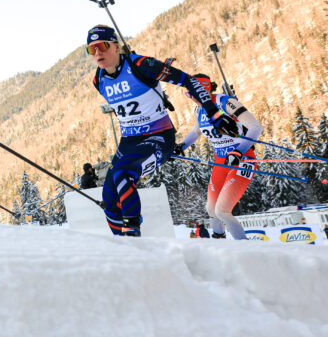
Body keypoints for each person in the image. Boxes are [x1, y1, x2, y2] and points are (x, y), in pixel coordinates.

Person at [86, 25, 238, 237]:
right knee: (109, 196)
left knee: (123, 173)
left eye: (102, 46)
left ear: (116, 46)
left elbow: (189, 80)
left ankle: (133, 234)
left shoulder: (142, 65)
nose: (97, 53)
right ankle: (123, 247)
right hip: (129, 142)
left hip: (159, 137)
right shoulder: (98, 79)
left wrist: (213, 112)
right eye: (91, 49)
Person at [174, 74, 263, 240]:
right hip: (221, 162)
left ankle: (246, 248)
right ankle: (218, 239)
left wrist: (239, 151)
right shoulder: (200, 109)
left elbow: (255, 127)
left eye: (190, 93)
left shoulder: (226, 102)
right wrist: (180, 147)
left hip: (242, 159)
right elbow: (196, 132)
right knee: (211, 209)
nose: (190, 98)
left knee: (222, 210)